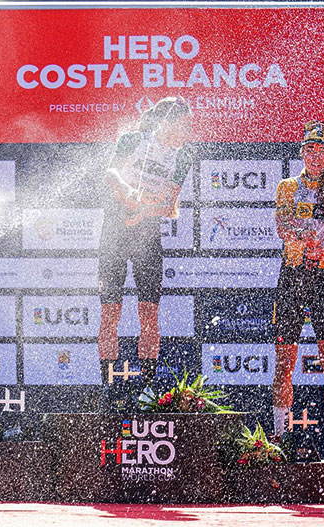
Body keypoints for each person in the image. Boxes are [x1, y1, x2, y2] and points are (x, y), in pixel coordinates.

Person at [98, 96, 194, 412]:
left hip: (148, 234)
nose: (186, 132)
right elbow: (110, 173)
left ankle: (148, 389)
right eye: (182, 126)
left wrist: (144, 210)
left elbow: (169, 206)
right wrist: (127, 192)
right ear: (166, 123)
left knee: (149, 313)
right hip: (114, 232)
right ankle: (107, 388)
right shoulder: (132, 140)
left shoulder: (183, 156)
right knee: (110, 312)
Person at [272, 121, 324, 462]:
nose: (316, 156)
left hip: (323, 279)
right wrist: (302, 237)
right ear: (302, 152)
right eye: (310, 149)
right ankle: (279, 437)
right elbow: (281, 226)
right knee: (284, 363)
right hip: (292, 277)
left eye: (322, 151)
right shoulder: (288, 186)